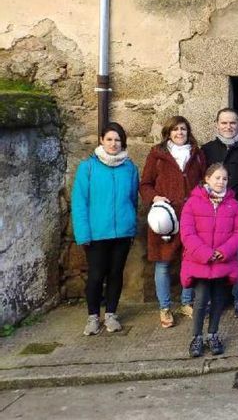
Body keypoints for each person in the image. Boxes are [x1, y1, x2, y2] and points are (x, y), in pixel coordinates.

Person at [72, 122, 139, 336]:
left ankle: (111, 314)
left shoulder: (130, 168)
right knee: (96, 275)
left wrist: (132, 226)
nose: (113, 143)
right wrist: (83, 233)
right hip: (96, 233)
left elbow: (132, 200)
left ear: (123, 142)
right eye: (109, 139)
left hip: (123, 233)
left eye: (117, 140)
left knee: (116, 273)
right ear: (101, 140)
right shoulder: (88, 167)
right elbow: (79, 202)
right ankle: (93, 317)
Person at [140, 115, 207, 329]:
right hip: (165, 216)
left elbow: (205, 182)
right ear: (168, 132)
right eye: (175, 129)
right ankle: (165, 306)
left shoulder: (197, 154)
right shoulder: (157, 154)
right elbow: (145, 184)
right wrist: (155, 197)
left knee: (190, 260)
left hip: (191, 216)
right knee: (163, 263)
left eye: (183, 129)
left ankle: (187, 303)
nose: (180, 133)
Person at [179, 163, 238, 358]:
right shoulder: (193, 203)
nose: (221, 181)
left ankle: (213, 334)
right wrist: (205, 253)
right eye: (217, 177)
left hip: (222, 262)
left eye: (224, 178)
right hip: (200, 262)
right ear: (207, 179)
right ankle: (197, 337)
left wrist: (223, 251)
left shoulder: (233, 204)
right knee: (200, 300)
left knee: (218, 300)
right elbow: (187, 232)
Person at [202, 108, 238, 318]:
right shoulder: (207, 150)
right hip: (213, 214)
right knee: (214, 256)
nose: (228, 127)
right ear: (217, 124)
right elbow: (202, 181)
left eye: (232, 123)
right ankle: (216, 300)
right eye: (224, 123)